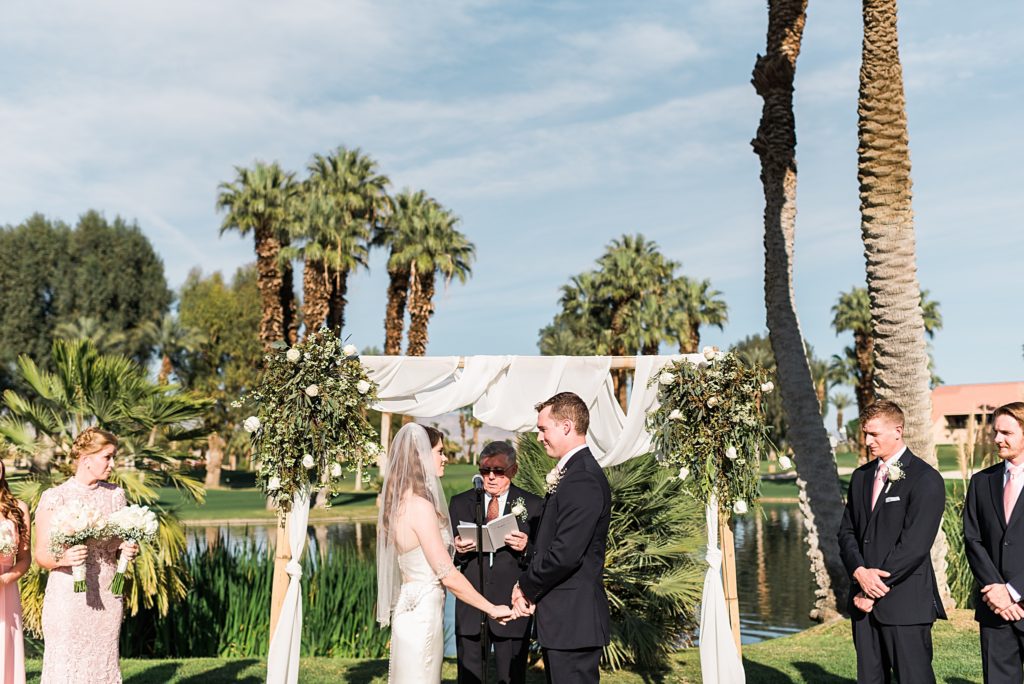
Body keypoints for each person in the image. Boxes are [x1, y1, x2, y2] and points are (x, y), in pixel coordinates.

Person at [377, 423, 513, 684]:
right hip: (423, 617)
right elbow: (447, 575)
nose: (444, 458)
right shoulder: (420, 506)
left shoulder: (400, 503)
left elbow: (419, 558)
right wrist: (491, 608)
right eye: (439, 451)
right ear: (421, 456)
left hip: (409, 610)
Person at [837, 400, 946, 684]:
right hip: (862, 600)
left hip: (904, 603)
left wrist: (871, 590)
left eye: (874, 434)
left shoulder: (926, 478)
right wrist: (859, 572)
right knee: (870, 679)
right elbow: (847, 532)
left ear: (898, 431)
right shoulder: (861, 477)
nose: (867, 441)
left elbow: (914, 546)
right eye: (865, 434)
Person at [512, 392, 610, 683]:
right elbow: (553, 544)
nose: (540, 437)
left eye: (543, 429)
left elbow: (566, 554)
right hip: (565, 622)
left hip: (573, 621)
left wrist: (525, 586)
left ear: (566, 426)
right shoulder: (572, 473)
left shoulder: (581, 477)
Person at [34, 428, 139, 684]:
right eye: (107, 457)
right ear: (86, 459)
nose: (112, 464)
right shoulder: (55, 497)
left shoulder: (116, 496)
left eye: (113, 457)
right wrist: (63, 559)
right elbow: (41, 555)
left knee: (102, 664)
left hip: (107, 594)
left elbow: (118, 542)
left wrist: (129, 550)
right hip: (68, 598)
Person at [449, 441, 543, 684]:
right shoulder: (461, 503)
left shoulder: (533, 505)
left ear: (513, 470)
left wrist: (526, 548)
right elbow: (447, 559)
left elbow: (543, 556)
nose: (490, 477)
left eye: (498, 471)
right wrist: (458, 551)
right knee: (468, 679)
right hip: (471, 606)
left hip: (511, 606)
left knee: (511, 678)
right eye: (484, 470)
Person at [963, 401, 1024, 683]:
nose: (997, 439)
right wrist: (997, 593)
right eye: (995, 432)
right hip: (993, 609)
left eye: (1006, 433)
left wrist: (1013, 591)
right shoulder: (980, 482)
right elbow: (973, 540)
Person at [0, 460, 30, 684]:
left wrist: (6, 579)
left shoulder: (18, 508)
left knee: (5, 645)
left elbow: (24, 558)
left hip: (6, 588)